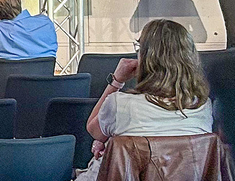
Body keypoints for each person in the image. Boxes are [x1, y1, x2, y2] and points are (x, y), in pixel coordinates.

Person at [86, 19, 213, 158]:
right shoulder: (202, 105)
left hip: (130, 179)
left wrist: (116, 82)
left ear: (145, 57)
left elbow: (93, 130)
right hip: (188, 180)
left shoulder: (120, 105)